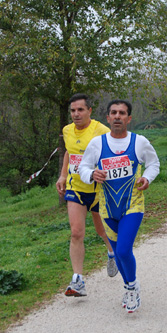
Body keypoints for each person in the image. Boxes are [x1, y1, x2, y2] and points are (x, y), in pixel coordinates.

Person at [79, 99, 160, 313]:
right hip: (106, 207)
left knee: (124, 250)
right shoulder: (97, 143)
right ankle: (128, 285)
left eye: (122, 113)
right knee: (116, 250)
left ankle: (132, 287)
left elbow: (154, 164)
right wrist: (91, 174)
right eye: (113, 113)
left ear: (129, 118)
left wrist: (148, 179)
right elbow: (83, 167)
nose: (117, 116)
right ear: (107, 118)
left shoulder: (139, 142)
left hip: (132, 205)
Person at [56, 93, 118, 299]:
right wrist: (63, 175)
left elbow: (114, 153)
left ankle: (112, 253)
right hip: (76, 189)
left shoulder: (101, 131)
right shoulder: (67, 130)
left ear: (89, 111)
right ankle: (78, 279)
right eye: (72, 110)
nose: (76, 114)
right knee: (76, 233)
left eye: (80, 110)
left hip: (100, 189)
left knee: (103, 230)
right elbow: (69, 152)